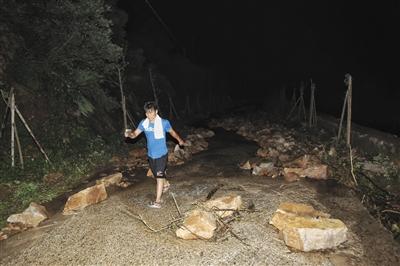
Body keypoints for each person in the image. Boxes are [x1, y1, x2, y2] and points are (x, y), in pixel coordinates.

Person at [125, 101, 185, 208]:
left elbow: (172, 132)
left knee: (159, 176)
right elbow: (134, 135)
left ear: (156, 112)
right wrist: (129, 134)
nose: (149, 115)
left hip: (162, 154)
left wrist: (180, 140)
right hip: (151, 155)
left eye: (151, 112)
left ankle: (158, 201)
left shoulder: (164, 122)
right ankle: (166, 183)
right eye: (147, 112)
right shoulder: (144, 123)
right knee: (156, 174)